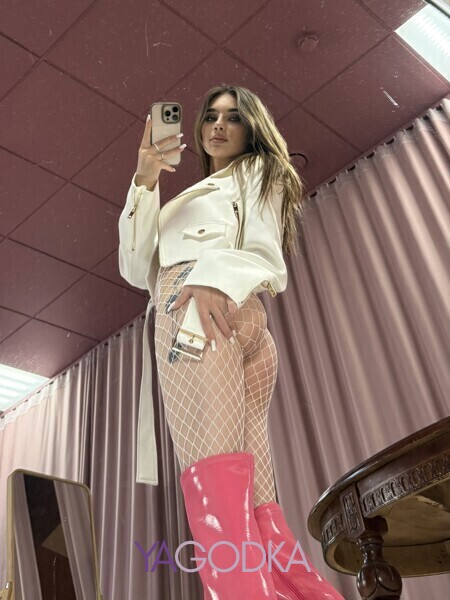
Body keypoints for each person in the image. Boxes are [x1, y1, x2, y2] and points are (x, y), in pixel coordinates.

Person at [118, 85, 344, 599]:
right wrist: (145, 180)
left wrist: (210, 279)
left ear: (252, 129)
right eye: (211, 117)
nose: (219, 124)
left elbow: (264, 257)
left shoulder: (257, 170)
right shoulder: (197, 192)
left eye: (234, 117)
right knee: (254, 499)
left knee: (215, 490)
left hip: (197, 305)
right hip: (239, 320)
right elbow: (134, 267)